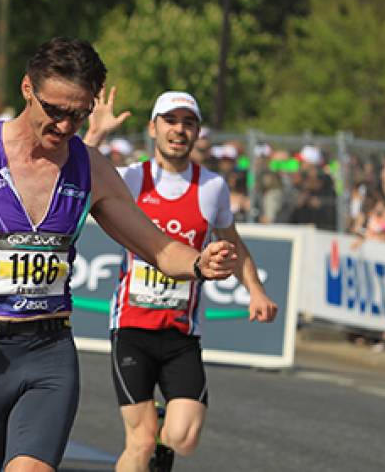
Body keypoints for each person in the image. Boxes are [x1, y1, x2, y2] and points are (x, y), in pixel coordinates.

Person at [0, 38, 239, 472]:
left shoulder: (91, 167)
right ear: (27, 88)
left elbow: (158, 248)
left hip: (48, 355)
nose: (65, 126)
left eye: (79, 114)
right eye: (55, 110)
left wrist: (198, 263)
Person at [84, 89, 277, 471]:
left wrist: (255, 290)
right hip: (132, 327)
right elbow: (77, 175)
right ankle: (149, 438)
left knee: (183, 438)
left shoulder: (211, 187)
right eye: (170, 121)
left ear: (197, 132)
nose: (179, 130)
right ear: (152, 128)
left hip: (181, 333)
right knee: (139, 441)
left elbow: (233, 244)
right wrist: (96, 135)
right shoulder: (131, 178)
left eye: (188, 123)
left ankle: (161, 435)